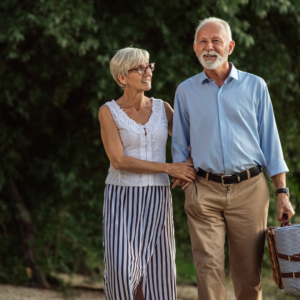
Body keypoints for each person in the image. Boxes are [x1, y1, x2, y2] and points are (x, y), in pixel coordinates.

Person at [171, 17, 295, 300]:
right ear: (194, 48)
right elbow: (179, 143)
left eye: (216, 40)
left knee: (249, 276)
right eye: (203, 41)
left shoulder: (255, 86)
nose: (209, 47)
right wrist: (189, 186)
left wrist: (282, 193)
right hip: (203, 189)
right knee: (207, 270)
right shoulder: (185, 91)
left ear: (230, 46)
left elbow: (271, 142)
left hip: (250, 189)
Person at [98, 47, 196, 300]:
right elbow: (118, 160)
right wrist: (169, 167)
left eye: (149, 66)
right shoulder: (108, 111)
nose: (147, 72)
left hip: (157, 197)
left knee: (157, 270)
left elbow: (189, 143)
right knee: (121, 270)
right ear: (122, 78)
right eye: (139, 68)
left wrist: (189, 164)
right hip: (121, 196)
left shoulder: (163, 108)